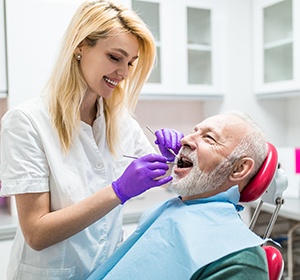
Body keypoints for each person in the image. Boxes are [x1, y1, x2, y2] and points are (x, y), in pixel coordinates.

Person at [0, 1, 183, 279]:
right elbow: (36, 232)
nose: (124, 73)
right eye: (114, 57)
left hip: (105, 271)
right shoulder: (26, 122)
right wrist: (118, 191)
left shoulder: (119, 121)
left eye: (131, 63)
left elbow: (163, 179)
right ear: (80, 46)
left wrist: (172, 159)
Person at [87, 110, 270, 280]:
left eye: (209, 138)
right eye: (194, 131)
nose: (185, 140)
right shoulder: (167, 210)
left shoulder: (238, 259)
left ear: (239, 169)